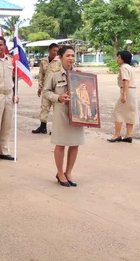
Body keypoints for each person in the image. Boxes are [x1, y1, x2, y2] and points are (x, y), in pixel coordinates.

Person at [43, 46, 84, 187]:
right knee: (60, 143)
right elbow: (46, 92)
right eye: (68, 55)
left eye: (73, 55)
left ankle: (69, 172)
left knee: (74, 143)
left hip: (77, 112)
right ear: (60, 58)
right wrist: (58, 97)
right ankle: (60, 173)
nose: (71, 58)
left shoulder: (79, 74)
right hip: (61, 112)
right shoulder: (54, 74)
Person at [108, 50, 138, 143]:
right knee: (130, 113)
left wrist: (124, 95)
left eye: (119, 57)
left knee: (118, 112)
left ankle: (117, 135)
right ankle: (128, 135)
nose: (117, 59)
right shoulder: (130, 67)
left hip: (127, 90)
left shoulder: (123, 68)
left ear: (122, 58)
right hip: (133, 91)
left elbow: (126, 81)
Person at [33, 43, 59, 134]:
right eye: (53, 51)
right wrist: (39, 87)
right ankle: (43, 127)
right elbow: (41, 75)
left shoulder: (59, 61)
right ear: (49, 50)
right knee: (44, 107)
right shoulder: (44, 61)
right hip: (46, 88)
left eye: (56, 51)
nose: (55, 52)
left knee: (57, 108)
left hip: (56, 89)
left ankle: (57, 129)